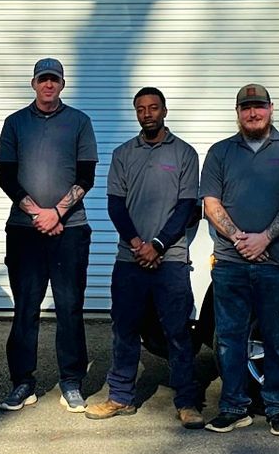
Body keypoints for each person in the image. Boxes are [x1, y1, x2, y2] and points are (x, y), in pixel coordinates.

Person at [86, 87, 206, 428]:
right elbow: (115, 205)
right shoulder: (123, 154)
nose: (147, 113)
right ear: (136, 113)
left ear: (164, 111)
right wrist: (139, 244)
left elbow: (186, 206)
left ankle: (187, 402)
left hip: (171, 260)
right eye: (141, 109)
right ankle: (120, 396)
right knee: (124, 329)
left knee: (178, 332)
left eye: (153, 107)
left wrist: (158, 245)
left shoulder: (184, 153)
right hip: (130, 259)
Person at [199, 83, 279, 436]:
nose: (253, 113)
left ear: (271, 108)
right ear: (237, 112)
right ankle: (234, 407)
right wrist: (239, 239)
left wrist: (264, 238)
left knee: (277, 338)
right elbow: (211, 204)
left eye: (259, 107)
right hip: (230, 264)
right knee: (229, 339)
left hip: (276, 263)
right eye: (246, 107)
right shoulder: (220, 153)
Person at [0, 57, 98, 413]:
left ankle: (71, 381)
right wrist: (37, 213)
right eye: (43, 79)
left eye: (54, 79)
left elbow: (86, 175)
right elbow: (7, 178)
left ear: (62, 84)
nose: (48, 85)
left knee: (70, 307)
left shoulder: (80, 123)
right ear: (34, 83)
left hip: (70, 231)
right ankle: (22, 383)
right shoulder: (14, 124)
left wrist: (57, 212)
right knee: (26, 308)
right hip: (24, 232)